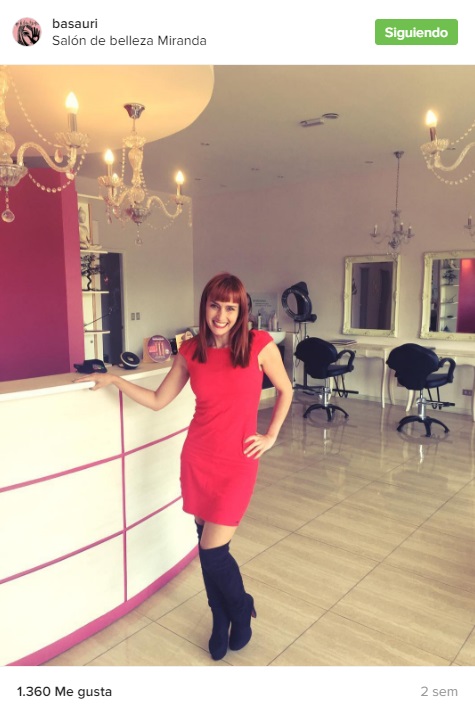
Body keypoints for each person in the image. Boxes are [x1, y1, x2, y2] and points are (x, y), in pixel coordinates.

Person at [76, 272, 293, 661]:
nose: (221, 316)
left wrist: (271, 435)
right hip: (198, 458)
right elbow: (159, 400)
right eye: (215, 306)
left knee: (213, 552)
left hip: (238, 461)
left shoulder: (259, 345)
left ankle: (241, 607)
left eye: (230, 308)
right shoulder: (191, 351)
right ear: (205, 306)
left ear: (241, 312)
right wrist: (115, 380)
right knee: (204, 542)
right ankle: (219, 617)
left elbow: (286, 389)